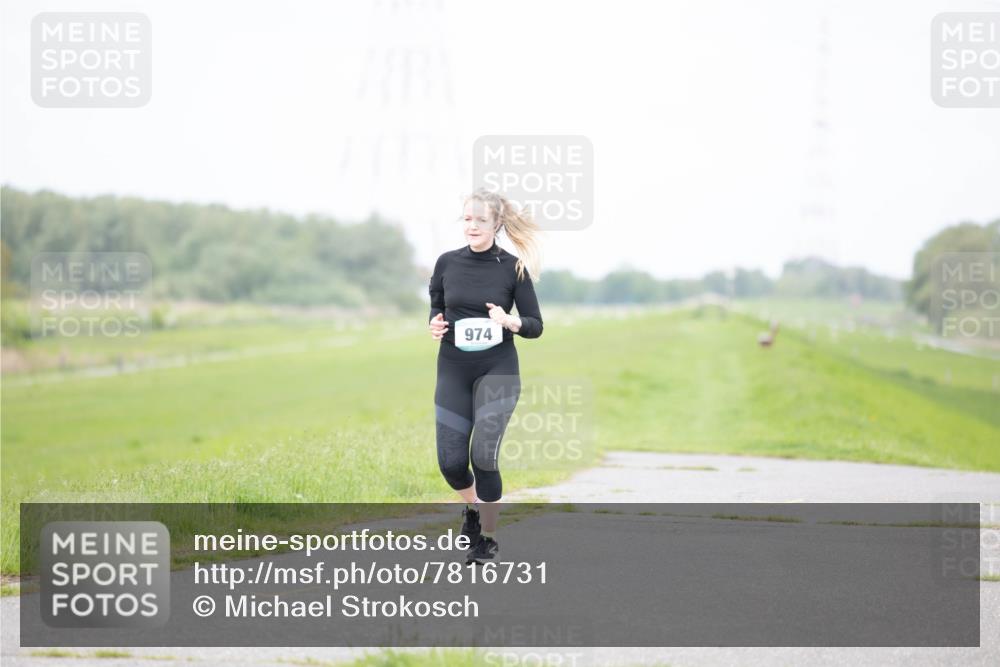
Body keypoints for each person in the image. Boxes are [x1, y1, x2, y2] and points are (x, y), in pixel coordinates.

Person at [428, 188, 543, 564]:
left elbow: (535, 325)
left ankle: (487, 537)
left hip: (498, 370)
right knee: (450, 463)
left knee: (483, 455)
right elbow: (436, 304)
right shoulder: (446, 263)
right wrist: (434, 322)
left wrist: (510, 321)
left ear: (496, 223)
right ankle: (474, 510)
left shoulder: (513, 268)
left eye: (480, 220)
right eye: (467, 219)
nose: (472, 226)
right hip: (453, 369)